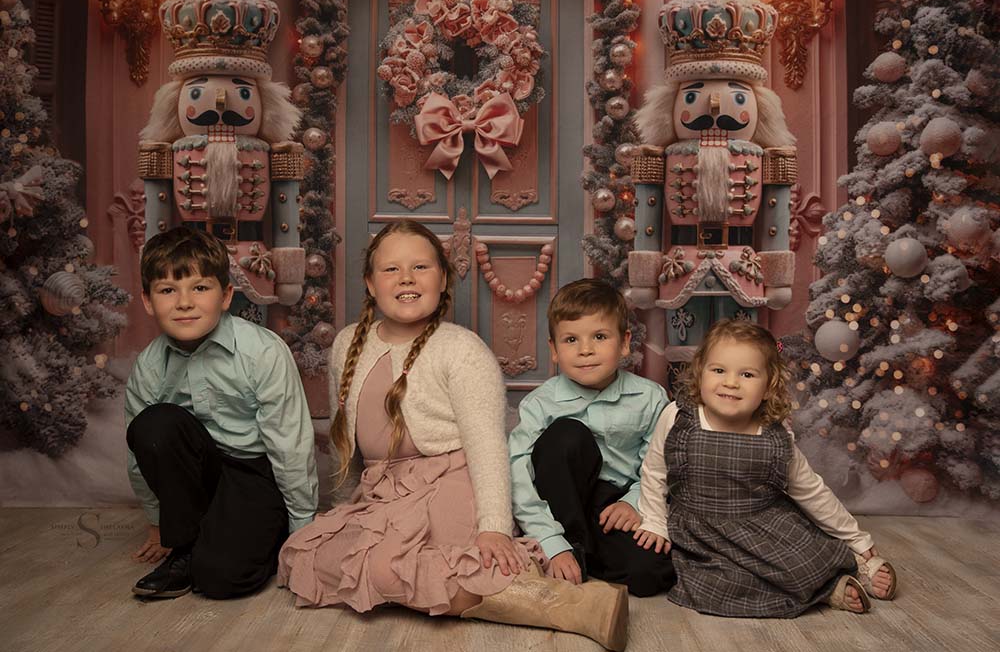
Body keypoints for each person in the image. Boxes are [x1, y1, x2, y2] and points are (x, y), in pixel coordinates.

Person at [278, 221, 629, 652]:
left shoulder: (461, 349)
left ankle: (566, 605)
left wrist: (495, 528)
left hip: (449, 484)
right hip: (383, 494)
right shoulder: (348, 343)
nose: (406, 278)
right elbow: (343, 441)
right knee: (305, 557)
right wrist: (343, 509)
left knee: (390, 570)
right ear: (370, 284)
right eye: (391, 270)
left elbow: (487, 448)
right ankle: (511, 594)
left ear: (443, 279)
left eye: (421, 267)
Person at [636, 319, 898, 618]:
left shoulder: (773, 435)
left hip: (762, 522)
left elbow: (811, 491)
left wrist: (857, 538)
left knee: (803, 562)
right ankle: (827, 592)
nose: (731, 382)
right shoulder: (678, 418)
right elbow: (654, 473)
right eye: (718, 370)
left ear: (768, 385)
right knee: (722, 581)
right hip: (700, 531)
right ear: (700, 373)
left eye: (747, 374)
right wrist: (655, 522)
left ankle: (846, 569)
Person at [125, 226, 319, 600]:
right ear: (148, 301)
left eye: (200, 288)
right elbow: (140, 456)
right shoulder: (149, 366)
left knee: (222, 579)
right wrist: (156, 522)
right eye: (168, 290)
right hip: (201, 474)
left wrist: (302, 530)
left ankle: (257, 532)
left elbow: (289, 445)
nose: (184, 302)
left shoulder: (261, 352)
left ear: (226, 295)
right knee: (154, 425)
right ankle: (183, 549)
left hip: (255, 473)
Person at [509, 279, 676, 598]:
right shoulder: (541, 404)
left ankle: (589, 554)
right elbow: (517, 474)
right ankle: (568, 547)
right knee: (567, 434)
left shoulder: (649, 397)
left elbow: (661, 462)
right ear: (555, 350)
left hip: (617, 503)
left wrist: (634, 503)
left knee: (651, 573)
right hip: (562, 503)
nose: (585, 350)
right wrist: (550, 541)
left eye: (599, 337)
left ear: (625, 343)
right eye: (571, 340)